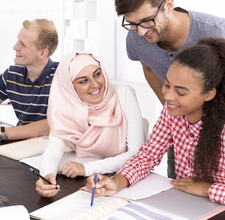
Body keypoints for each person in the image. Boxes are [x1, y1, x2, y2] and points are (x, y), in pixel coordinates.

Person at [86, 37, 225, 205]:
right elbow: (149, 154)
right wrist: (117, 181)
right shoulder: (172, 111)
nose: (168, 96)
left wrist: (207, 189)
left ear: (209, 94)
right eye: (167, 85)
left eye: (180, 92)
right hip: (185, 203)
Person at [115, 0, 225, 178]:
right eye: (131, 23)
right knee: (180, 187)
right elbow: (147, 67)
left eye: (147, 20)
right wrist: (174, 112)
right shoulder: (136, 38)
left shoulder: (218, 31)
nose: (140, 31)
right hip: (182, 129)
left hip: (217, 131)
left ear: (168, 5)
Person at [35, 51, 145, 198]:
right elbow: (54, 149)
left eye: (97, 74)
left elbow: (137, 153)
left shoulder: (124, 94)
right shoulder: (64, 108)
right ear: (70, 87)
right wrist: (46, 177)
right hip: (88, 187)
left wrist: (86, 168)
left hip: (125, 182)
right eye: (83, 81)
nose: (95, 84)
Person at [0, 19, 59, 143]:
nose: (15, 47)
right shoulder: (12, 74)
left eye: (22, 44)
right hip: (20, 146)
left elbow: (54, 124)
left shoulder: (61, 77)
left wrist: (0, 133)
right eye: (18, 40)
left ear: (43, 53)